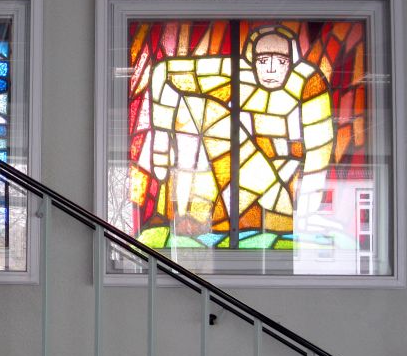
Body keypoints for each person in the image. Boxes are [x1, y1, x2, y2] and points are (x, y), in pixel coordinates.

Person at [140, 25, 335, 238]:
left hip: (281, 198)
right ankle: (192, 215)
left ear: (291, 62)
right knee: (196, 109)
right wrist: (161, 144)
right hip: (235, 189)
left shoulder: (309, 84)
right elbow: (164, 72)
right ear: (252, 60)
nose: (271, 69)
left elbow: (319, 153)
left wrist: (305, 213)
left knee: (207, 114)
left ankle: (196, 217)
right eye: (263, 60)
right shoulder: (237, 73)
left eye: (280, 61)